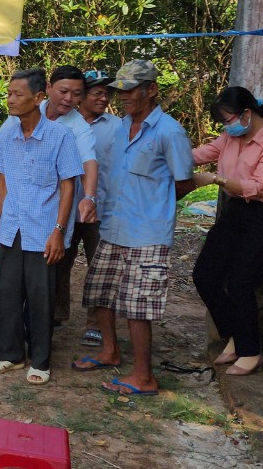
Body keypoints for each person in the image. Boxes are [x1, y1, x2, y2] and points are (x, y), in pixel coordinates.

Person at [73, 59, 195, 397]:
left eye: (130, 90)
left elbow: (184, 181)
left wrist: (153, 202)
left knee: (138, 306)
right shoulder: (119, 127)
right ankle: (109, 352)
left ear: (151, 89)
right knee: (101, 292)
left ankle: (144, 376)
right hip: (113, 224)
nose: (123, 96)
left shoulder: (169, 131)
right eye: (120, 91)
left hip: (147, 231)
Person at [0, 68, 82, 385]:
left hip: (43, 230)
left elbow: (69, 187)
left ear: (38, 98)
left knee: (41, 297)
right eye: (9, 94)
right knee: (6, 293)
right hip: (11, 227)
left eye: (18, 94)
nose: (10, 100)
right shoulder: (8, 136)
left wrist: (59, 231)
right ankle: (10, 355)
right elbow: (3, 185)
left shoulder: (60, 136)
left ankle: (40, 360)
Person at [190, 87, 263, 377]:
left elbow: (260, 187)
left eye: (228, 120)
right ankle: (236, 334)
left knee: (240, 282)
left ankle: (250, 351)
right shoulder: (230, 137)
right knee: (205, 275)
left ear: (247, 113)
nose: (227, 127)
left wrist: (215, 179)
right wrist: (165, 155)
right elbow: (200, 154)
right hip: (235, 212)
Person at [40, 66, 99, 326]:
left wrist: (89, 197)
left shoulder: (78, 126)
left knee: (50, 266)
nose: (68, 99)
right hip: (24, 206)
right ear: (48, 88)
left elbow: (89, 161)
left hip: (56, 209)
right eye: (63, 91)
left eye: (76, 95)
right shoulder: (30, 108)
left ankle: (46, 324)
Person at [73, 69, 122, 347]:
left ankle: (95, 324)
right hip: (66, 208)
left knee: (101, 268)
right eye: (98, 93)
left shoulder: (117, 126)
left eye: (107, 93)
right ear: (81, 96)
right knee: (57, 263)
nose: (104, 98)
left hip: (102, 210)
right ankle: (56, 314)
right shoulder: (64, 121)